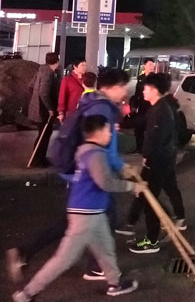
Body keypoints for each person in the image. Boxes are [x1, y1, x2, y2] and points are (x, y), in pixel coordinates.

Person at [11, 115, 142, 302]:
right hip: (85, 214)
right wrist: (132, 186)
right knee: (63, 259)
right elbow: (105, 182)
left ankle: (115, 283)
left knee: (105, 250)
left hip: (92, 211)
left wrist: (124, 171)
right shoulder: (96, 154)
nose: (110, 134)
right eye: (107, 130)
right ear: (97, 132)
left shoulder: (86, 151)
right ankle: (27, 293)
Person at [128, 74, 187, 254]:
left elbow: (156, 139)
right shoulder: (159, 107)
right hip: (162, 159)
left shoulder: (161, 111)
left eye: (146, 88)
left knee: (150, 200)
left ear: (154, 90)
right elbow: (144, 123)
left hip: (158, 161)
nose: (143, 91)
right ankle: (168, 220)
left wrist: (147, 157)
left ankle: (152, 240)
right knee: (154, 194)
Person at [27, 52, 60, 167]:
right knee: (44, 134)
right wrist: (50, 108)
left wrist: (35, 100)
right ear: (57, 62)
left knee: (43, 133)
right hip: (43, 110)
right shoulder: (49, 73)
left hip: (37, 107)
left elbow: (30, 86)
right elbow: (44, 93)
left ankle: (38, 158)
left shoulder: (40, 70)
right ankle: (38, 160)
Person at [130, 58, 155, 154]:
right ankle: (139, 147)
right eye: (149, 65)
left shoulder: (155, 78)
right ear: (145, 66)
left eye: (153, 65)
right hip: (141, 107)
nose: (151, 67)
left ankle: (149, 148)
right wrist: (134, 105)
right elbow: (137, 92)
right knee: (139, 127)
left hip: (151, 107)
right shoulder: (140, 78)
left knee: (150, 128)